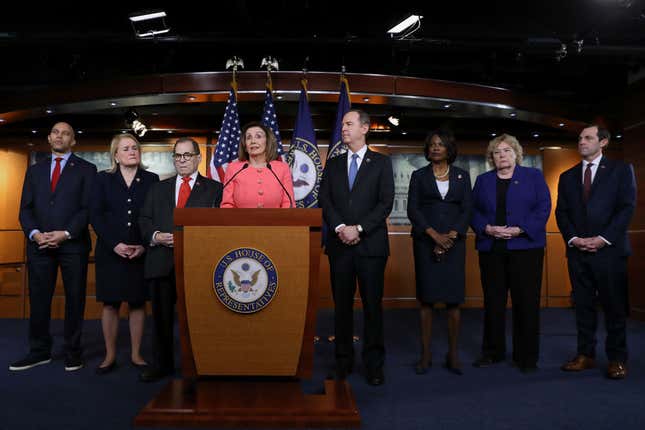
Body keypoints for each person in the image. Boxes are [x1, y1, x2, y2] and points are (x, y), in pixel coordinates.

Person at [10, 122, 97, 372]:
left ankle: (73, 352)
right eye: (56, 133)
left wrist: (66, 233)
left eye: (66, 133)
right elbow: (25, 209)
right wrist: (36, 234)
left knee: (75, 299)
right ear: (49, 138)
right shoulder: (34, 171)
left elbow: (87, 209)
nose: (60, 136)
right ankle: (39, 351)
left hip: (73, 245)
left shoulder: (87, 169)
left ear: (73, 141)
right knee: (38, 299)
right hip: (40, 246)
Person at [319, 109, 394, 386]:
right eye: (342, 124)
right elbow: (324, 199)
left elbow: (385, 202)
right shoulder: (334, 163)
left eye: (349, 124)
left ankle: (374, 364)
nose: (344, 128)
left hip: (371, 246)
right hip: (340, 247)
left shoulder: (382, 163)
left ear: (364, 128)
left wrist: (359, 228)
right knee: (342, 307)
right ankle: (343, 361)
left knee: (372, 307)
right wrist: (340, 228)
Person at [138, 137, 222, 382]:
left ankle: (199, 364)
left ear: (198, 158)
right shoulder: (157, 189)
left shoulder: (215, 189)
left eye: (187, 155)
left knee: (200, 318)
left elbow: (218, 227)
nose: (182, 160)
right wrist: (156, 236)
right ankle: (161, 364)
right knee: (161, 319)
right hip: (161, 261)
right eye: (178, 156)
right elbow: (144, 220)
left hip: (197, 264)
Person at [556, 125, 636, 379]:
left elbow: (626, 208)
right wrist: (574, 239)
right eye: (580, 138)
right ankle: (585, 355)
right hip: (578, 251)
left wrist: (602, 239)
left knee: (614, 307)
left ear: (603, 142)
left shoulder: (621, 171)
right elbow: (562, 213)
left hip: (610, 252)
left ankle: (617, 359)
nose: (581, 142)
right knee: (583, 306)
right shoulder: (567, 176)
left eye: (588, 138)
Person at [470, 134, 551, 373]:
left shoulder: (533, 177)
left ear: (516, 153)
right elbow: (473, 210)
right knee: (493, 302)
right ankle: (492, 352)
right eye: (496, 152)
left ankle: (526, 356)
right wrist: (486, 228)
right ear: (491, 157)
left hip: (525, 249)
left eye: (506, 150)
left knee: (526, 303)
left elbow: (543, 207)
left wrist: (520, 229)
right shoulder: (483, 180)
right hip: (492, 249)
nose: (501, 155)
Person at [90, 133, 159, 374]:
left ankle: (136, 353)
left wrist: (142, 245)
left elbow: (153, 215)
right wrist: (114, 244)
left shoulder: (152, 179)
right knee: (110, 303)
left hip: (140, 251)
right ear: (116, 156)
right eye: (126, 148)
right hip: (111, 251)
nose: (132, 151)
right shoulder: (102, 180)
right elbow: (96, 216)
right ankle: (109, 355)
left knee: (137, 303)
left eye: (135, 148)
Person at [407, 130, 472, 375]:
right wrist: (434, 235)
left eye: (441, 144)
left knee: (453, 301)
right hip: (425, 242)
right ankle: (425, 355)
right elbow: (413, 209)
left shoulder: (462, 176)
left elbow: (467, 209)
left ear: (449, 149)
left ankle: (453, 355)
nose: (436, 148)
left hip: (455, 244)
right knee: (427, 300)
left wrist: (451, 236)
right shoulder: (418, 176)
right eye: (432, 144)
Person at [220, 122, 294, 208]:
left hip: (276, 221)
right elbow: (227, 205)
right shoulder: (233, 168)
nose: (253, 141)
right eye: (248, 138)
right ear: (245, 145)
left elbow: (288, 203)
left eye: (258, 136)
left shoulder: (282, 168)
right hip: (241, 221)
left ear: (267, 142)